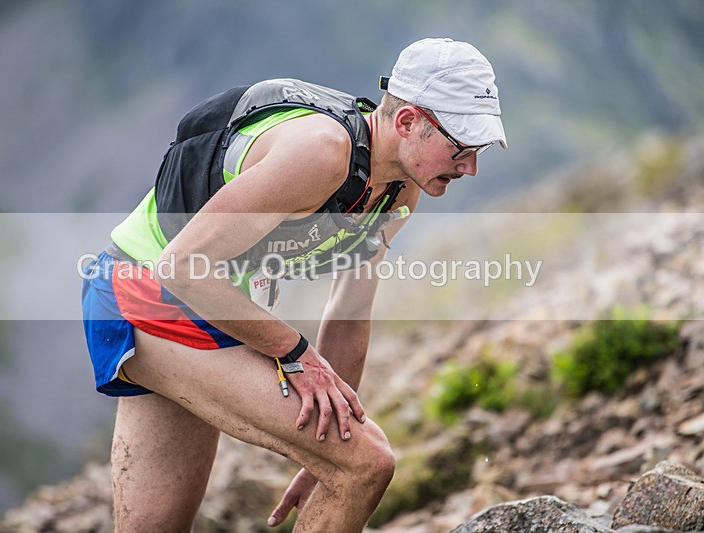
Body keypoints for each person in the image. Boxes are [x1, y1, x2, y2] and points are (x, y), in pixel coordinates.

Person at [81, 37, 506, 532]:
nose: (470, 166)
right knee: (367, 464)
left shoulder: (400, 188)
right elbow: (183, 266)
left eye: (478, 150)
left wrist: (319, 455)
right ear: (409, 122)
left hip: (206, 305)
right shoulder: (321, 153)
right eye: (461, 147)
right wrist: (295, 353)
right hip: (146, 291)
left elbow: (348, 313)